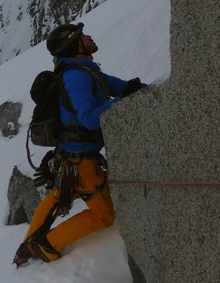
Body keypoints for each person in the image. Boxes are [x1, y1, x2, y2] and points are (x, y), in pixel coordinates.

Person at [14, 22, 144, 267]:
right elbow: (90, 119)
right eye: (81, 35)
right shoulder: (76, 76)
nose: (88, 36)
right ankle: (46, 246)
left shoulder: (84, 71)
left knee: (58, 196)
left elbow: (121, 87)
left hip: (71, 156)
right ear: (73, 45)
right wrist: (122, 100)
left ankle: (28, 246)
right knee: (103, 215)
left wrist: (141, 92)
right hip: (82, 161)